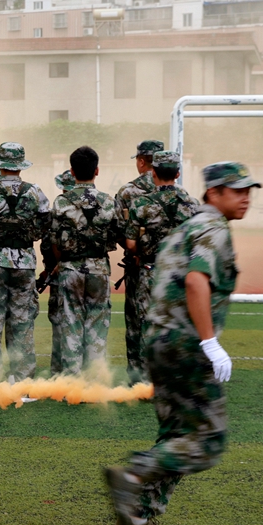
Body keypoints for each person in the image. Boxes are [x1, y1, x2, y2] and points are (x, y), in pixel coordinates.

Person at [104, 161, 259, 525]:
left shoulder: (186, 228)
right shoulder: (213, 228)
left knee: (177, 435)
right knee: (207, 441)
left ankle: (137, 517)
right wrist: (208, 342)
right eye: (237, 190)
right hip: (187, 345)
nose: (245, 198)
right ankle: (134, 474)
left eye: (248, 191)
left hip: (159, 341)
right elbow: (195, 280)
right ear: (214, 193)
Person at [0, 143, 52, 384]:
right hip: (24, 262)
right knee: (22, 321)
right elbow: (46, 225)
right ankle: (22, 381)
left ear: (0, 165)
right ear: (20, 165)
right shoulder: (35, 192)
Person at [121, 151, 201, 383]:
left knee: (147, 326)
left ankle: (146, 382)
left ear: (153, 173)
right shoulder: (192, 204)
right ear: (177, 173)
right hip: (181, 274)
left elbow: (130, 244)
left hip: (150, 272)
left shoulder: (141, 204)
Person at [47, 146, 118, 378]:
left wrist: (63, 261)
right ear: (97, 170)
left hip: (70, 268)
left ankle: (72, 382)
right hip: (99, 268)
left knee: (71, 324)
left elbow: (54, 241)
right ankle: (94, 381)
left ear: (72, 171)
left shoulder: (61, 202)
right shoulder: (108, 202)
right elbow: (116, 235)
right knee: (97, 325)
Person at [114, 139, 165, 387]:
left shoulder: (127, 192)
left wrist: (132, 249)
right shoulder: (175, 192)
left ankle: (137, 378)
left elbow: (118, 230)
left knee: (135, 322)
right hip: (168, 268)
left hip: (138, 265)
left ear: (142, 161)